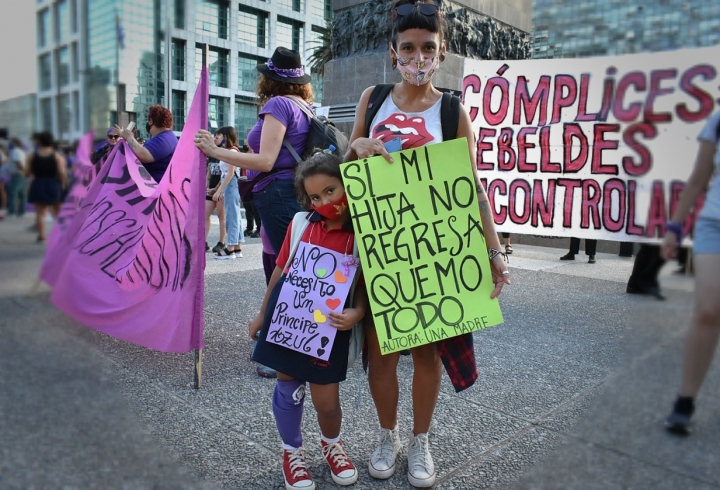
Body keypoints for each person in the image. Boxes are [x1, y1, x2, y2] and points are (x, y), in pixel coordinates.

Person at [343, 1, 510, 486]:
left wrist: (494, 252)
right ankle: (386, 434)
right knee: (380, 354)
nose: (418, 58)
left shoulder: (453, 110)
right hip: (382, 250)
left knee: (425, 355)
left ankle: (420, 439)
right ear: (393, 51)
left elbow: (472, 186)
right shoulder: (372, 99)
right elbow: (347, 168)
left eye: (428, 48)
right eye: (409, 48)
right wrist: (358, 148)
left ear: (442, 52)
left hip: (434, 256)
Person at [248, 152, 367, 490]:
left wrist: (357, 313)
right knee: (287, 388)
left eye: (331, 191)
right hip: (289, 322)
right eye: (315, 196)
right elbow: (280, 271)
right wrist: (262, 313)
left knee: (327, 402)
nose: (324, 202)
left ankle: (332, 443)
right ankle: (291, 452)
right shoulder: (301, 223)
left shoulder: (361, 235)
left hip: (329, 330)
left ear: (348, 186)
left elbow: (364, 288)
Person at [194, 46, 311, 257]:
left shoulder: (278, 104)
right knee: (288, 259)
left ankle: (271, 292)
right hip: (292, 189)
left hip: (277, 192)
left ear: (270, 78)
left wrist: (214, 150)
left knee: (286, 266)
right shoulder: (303, 106)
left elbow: (266, 161)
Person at [662, 111, 720, 435]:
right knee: (708, 310)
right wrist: (675, 226)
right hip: (715, 222)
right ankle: (686, 399)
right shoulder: (718, 121)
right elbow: (699, 178)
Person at [118, 104, 178, 182]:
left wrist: (129, 137)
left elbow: (144, 155)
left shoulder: (165, 139)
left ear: (151, 121)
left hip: (157, 190)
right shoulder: (166, 137)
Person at [210, 127, 245, 259]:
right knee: (234, 216)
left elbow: (230, 174)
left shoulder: (232, 151)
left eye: (217, 137)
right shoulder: (228, 151)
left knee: (232, 216)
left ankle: (230, 248)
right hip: (230, 185)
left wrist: (218, 191)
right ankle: (237, 248)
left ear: (225, 137)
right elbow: (225, 175)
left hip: (232, 185)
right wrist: (216, 188)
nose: (215, 139)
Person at [25, 131, 66, 242]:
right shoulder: (57, 156)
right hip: (54, 184)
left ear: (39, 142)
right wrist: (62, 184)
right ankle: (61, 234)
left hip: (38, 183)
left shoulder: (32, 156)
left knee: (40, 213)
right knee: (58, 212)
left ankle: (41, 235)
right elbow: (61, 172)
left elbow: (27, 172)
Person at [205, 154, 227, 254]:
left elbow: (225, 174)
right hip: (211, 189)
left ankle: (221, 242)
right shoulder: (211, 155)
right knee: (205, 214)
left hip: (220, 189)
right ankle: (204, 241)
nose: (215, 137)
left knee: (221, 216)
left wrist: (217, 189)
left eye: (217, 136)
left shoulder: (223, 153)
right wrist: (206, 186)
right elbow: (209, 173)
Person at [7, 137, 27, 218]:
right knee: (22, 193)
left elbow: (18, 163)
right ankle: (22, 211)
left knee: (12, 192)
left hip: (17, 174)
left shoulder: (15, 151)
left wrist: (23, 170)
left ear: (14, 143)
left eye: (11, 143)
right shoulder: (21, 151)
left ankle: (12, 211)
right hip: (21, 174)